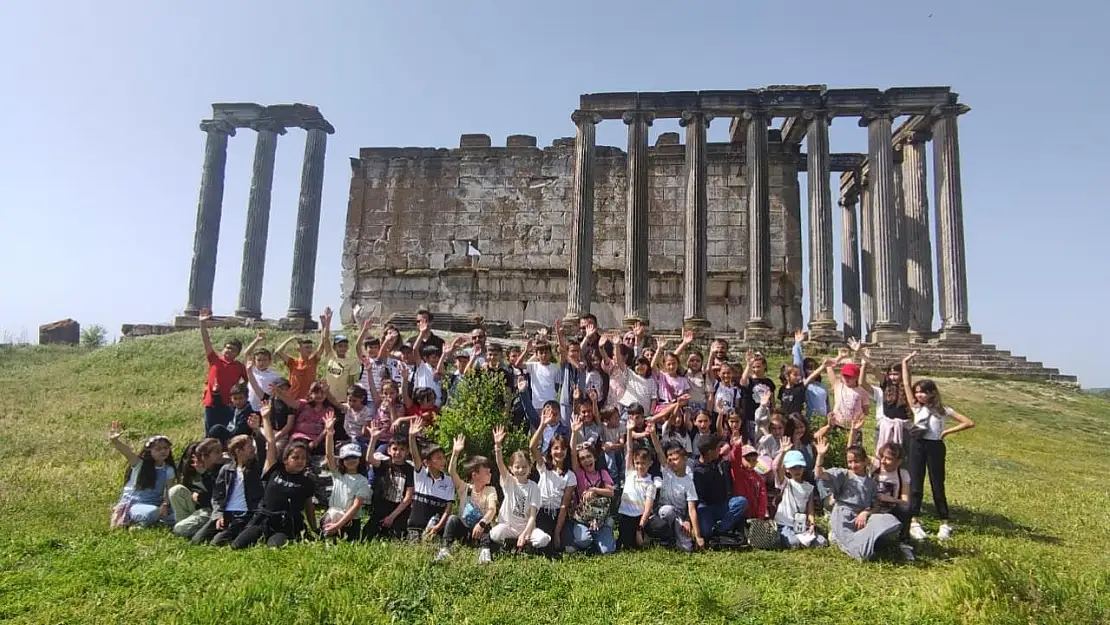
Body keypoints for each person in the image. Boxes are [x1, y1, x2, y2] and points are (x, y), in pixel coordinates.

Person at [901, 352, 975, 541]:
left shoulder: (943, 410)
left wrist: (947, 432)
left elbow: (968, 422)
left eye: (923, 391)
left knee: (937, 485)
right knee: (916, 484)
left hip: (935, 447)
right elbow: (906, 384)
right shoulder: (916, 406)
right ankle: (915, 521)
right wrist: (905, 364)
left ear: (932, 393)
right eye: (918, 391)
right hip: (917, 445)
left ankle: (945, 522)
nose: (919, 394)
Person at [231, 403, 317, 549]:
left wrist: (314, 529)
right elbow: (270, 443)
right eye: (295, 457)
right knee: (237, 545)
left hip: (284, 524)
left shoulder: (307, 482)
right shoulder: (275, 470)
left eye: (303, 458)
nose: (300, 461)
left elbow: (309, 507)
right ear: (285, 459)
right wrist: (266, 418)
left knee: (274, 548)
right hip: (263, 518)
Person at [814, 439, 902, 561]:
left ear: (865, 461)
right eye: (850, 462)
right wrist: (820, 455)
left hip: (861, 518)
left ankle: (867, 540)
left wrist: (866, 513)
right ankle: (841, 538)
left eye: (857, 461)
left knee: (887, 520)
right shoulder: (844, 475)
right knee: (858, 548)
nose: (853, 465)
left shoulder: (871, 483)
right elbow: (819, 474)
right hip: (843, 518)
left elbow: (875, 505)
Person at [192, 430, 266, 546]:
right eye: (249, 446)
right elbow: (217, 496)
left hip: (245, 513)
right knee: (197, 540)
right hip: (227, 514)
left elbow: (262, 449)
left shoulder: (255, 468)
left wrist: (256, 430)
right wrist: (218, 515)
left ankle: (241, 532)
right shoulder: (226, 470)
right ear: (239, 451)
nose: (253, 449)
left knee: (216, 543)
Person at [435, 434, 497, 564]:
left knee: (487, 525)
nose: (490, 474)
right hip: (464, 530)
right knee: (452, 519)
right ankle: (445, 549)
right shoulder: (465, 488)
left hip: (480, 531)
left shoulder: (490, 490)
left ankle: (484, 552)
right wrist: (455, 453)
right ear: (475, 475)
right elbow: (452, 471)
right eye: (487, 472)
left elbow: (492, 510)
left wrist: (481, 523)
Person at [489, 425, 550, 555]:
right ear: (511, 468)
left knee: (543, 539)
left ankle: (523, 544)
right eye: (517, 467)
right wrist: (498, 446)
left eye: (524, 467)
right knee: (495, 533)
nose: (520, 470)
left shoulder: (534, 486)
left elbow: (533, 516)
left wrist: (524, 534)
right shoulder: (509, 481)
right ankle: (513, 543)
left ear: (529, 468)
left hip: (527, 529)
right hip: (509, 527)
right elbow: (500, 463)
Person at [197, 309, 257, 437]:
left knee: (227, 433)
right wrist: (202, 324)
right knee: (210, 434)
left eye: (233, 350)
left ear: (237, 353)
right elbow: (206, 341)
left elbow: (249, 381)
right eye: (227, 347)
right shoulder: (214, 359)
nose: (229, 351)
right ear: (223, 348)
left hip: (229, 405)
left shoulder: (239, 366)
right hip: (212, 403)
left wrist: (239, 392)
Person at [108, 422, 175, 529]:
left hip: (156, 503)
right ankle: (138, 521)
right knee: (152, 512)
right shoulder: (140, 464)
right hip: (135, 505)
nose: (163, 451)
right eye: (158, 449)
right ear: (149, 451)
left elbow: (169, 489)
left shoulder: (168, 469)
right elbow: (127, 452)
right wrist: (115, 441)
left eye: (166, 448)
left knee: (176, 514)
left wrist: (165, 504)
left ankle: (146, 524)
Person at [645, 427, 703, 551]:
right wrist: (653, 434)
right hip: (663, 511)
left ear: (685, 459)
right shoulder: (667, 472)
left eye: (676, 459)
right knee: (668, 511)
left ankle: (677, 538)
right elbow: (659, 451)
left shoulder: (689, 482)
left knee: (686, 548)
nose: (672, 462)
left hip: (680, 516)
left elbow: (692, 509)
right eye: (670, 460)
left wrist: (697, 535)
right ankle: (666, 537)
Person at [566, 414, 617, 554]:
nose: (586, 460)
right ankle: (586, 536)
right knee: (583, 541)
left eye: (589, 457)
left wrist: (594, 490)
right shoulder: (579, 473)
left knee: (607, 551)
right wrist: (574, 433)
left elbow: (611, 492)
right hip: (583, 518)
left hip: (600, 518)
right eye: (582, 459)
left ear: (594, 457)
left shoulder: (602, 473)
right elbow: (572, 453)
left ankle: (601, 533)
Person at [529, 410, 575, 555]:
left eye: (563, 448)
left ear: (567, 451)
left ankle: (557, 537)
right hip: (542, 511)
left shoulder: (570, 475)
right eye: (555, 448)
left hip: (559, 514)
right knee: (546, 544)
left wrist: (557, 532)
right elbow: (532, 447)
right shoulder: (543, 466)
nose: (559, 452)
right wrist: (542, 425)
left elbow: (564, 505)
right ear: (550, 451)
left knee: (566, 545)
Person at [319, 415, 371, 541]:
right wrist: (329, 433)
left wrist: (338, 525)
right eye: (347, 458)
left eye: (354, 457)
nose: (351, 460)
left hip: (351, 521)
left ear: (360, 459)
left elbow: (356, 506)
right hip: (334, 515)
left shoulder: (363, 481)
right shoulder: (338, 474)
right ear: (342, 461)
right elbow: (329, 455)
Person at [691, 433, 746, 543]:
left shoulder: (720, 462)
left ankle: (721, 530)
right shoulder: (697, 471)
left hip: (722, 504)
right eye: (717, 448)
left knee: (741, 502)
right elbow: (701, 498)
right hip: (705, 507)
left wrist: (736, 446)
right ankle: (711, 529)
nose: (719, 450)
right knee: (706, 532)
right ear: (710, 452)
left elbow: (735, 461)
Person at [406, 421, 455, 542]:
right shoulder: (421, 474)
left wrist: (438, 526)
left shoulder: (448, 481)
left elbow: (448, 509)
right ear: (427, 462)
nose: (443, 461)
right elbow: (415, 457)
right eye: (438, 458)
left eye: (444, 457)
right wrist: (411, 437)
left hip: (435, 529)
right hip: (415, 528)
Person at [168, 438, 225, 539]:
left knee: (179, 529)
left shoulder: (222, 469)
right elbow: (189, 487)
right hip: (197, 507)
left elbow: (216, 497)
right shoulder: (192, 470)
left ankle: (184, 529)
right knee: (176, 490)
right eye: (217, 452)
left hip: (210, 509)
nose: (221, 454)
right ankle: (184, 525)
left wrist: (204, 475)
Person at [771, 444, 826, 549]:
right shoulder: (785, 483)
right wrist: (783, 452)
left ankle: (804, 539)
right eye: (793, 468)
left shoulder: (808, 487)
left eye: (800, 467)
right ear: (787, 469)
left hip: (801, 526)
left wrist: (812, 524)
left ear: (804, 468)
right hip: (784, 524)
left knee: (822, 542)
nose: (797, 470)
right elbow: (778, 469)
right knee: (793, 543)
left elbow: (810, 510)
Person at [363, 429, 414, 540]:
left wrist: (391, 517)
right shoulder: (385, 464)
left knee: (396, 537)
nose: (398, 452)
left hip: (399, 509)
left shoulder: (410, 470)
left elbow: (408, 498)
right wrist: (373, 438)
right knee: (366, 535)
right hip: (381, 507)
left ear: (407, 452)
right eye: (395, 449)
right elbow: (369, 458)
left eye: (402, 449)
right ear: (389, 450)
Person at [616, 420, 657, 551]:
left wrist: (640, 526)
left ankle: (646, 535)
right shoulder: (630, 473)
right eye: (637, 463)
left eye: (643, 463)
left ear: (650, 464)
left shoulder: (651, 484)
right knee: (625, 545)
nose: (640, 466)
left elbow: (648, 507)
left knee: (638, 545)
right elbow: (629, 448)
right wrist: (629, 430)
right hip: (625, 515)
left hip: (638, 518)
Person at [274, 309, 330, 401]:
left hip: (308, 400)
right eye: (306, 347)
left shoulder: (313, 360)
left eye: (310, 347)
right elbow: (278, 351)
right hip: (293, 399)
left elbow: (322, 344)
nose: (309, 349)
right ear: (299, 350)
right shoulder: (293, 362)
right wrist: (291, 338)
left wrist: (324, 325)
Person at [873, 442, 915, 560]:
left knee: (906, 509)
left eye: (888, 459)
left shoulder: (903, 474)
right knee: (881, 544)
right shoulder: (874, 467)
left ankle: (904, 542)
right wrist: (854, 431)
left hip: (891, 510)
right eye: (882, 457)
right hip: (873, 510)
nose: (883, 461)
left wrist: (891, 499)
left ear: (899, 462)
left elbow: (905, 501)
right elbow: (852, 453)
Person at [791, 330, 829, 420]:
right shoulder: (804, 383)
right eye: (809, 368)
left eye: (815, 368)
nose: (813, 371)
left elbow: (827, 404)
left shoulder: (822, 385)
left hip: (822, 420)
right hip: (809, 420)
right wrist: (797, 344)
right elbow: (798, 363)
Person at [740, 350, 776, 444]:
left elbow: (772, 400)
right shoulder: (750, 381)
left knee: (764, 442)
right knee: (752, 442)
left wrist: (773, 414)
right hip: (752, 417)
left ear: (764, 366)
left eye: (758, 366)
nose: (756, 369)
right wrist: (748, 364)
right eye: (754, 367)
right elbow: (743, 382)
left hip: (765, 418)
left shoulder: (769, 382)